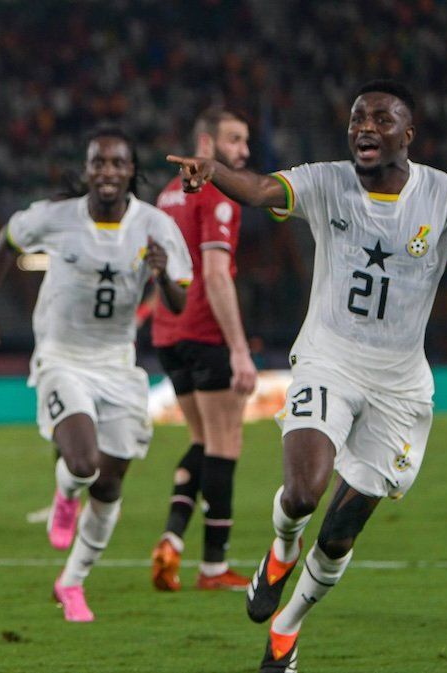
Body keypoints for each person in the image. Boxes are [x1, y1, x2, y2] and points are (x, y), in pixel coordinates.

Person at [168, 80, 447, 672]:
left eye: (380, 119)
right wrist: (215, 169)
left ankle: (287, 626)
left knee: (340, 532)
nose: (365, 128)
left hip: (400, 384)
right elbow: (257, 187)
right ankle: (278, 553)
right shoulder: (326, 181)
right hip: (329, 356)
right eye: (356, 119)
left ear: (409, 133)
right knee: (304, 492)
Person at [0, 127, 192, 622]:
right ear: (88, 169)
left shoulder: (155, 226)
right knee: (84, 461)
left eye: (118, 164)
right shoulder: (56, 217)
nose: (108, 172)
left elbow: (179, 301)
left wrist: (160, 274)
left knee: (111, 485)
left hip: (117, 363)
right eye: (99, 163)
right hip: (62, 355)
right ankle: (66, 495)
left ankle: (72, 583)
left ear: (131, 171)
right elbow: (8, 240)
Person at [150, 106, 258, 592]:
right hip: (204, 331)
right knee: (224, 443)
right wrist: (238, 349)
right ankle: (214, 567)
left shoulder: (166, 195)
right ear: (208, 145)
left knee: (200, 440)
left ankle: (172, 539)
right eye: (236, 141)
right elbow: (215, 274)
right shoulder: (216, 194)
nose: (245, 151)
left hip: (168, 335)